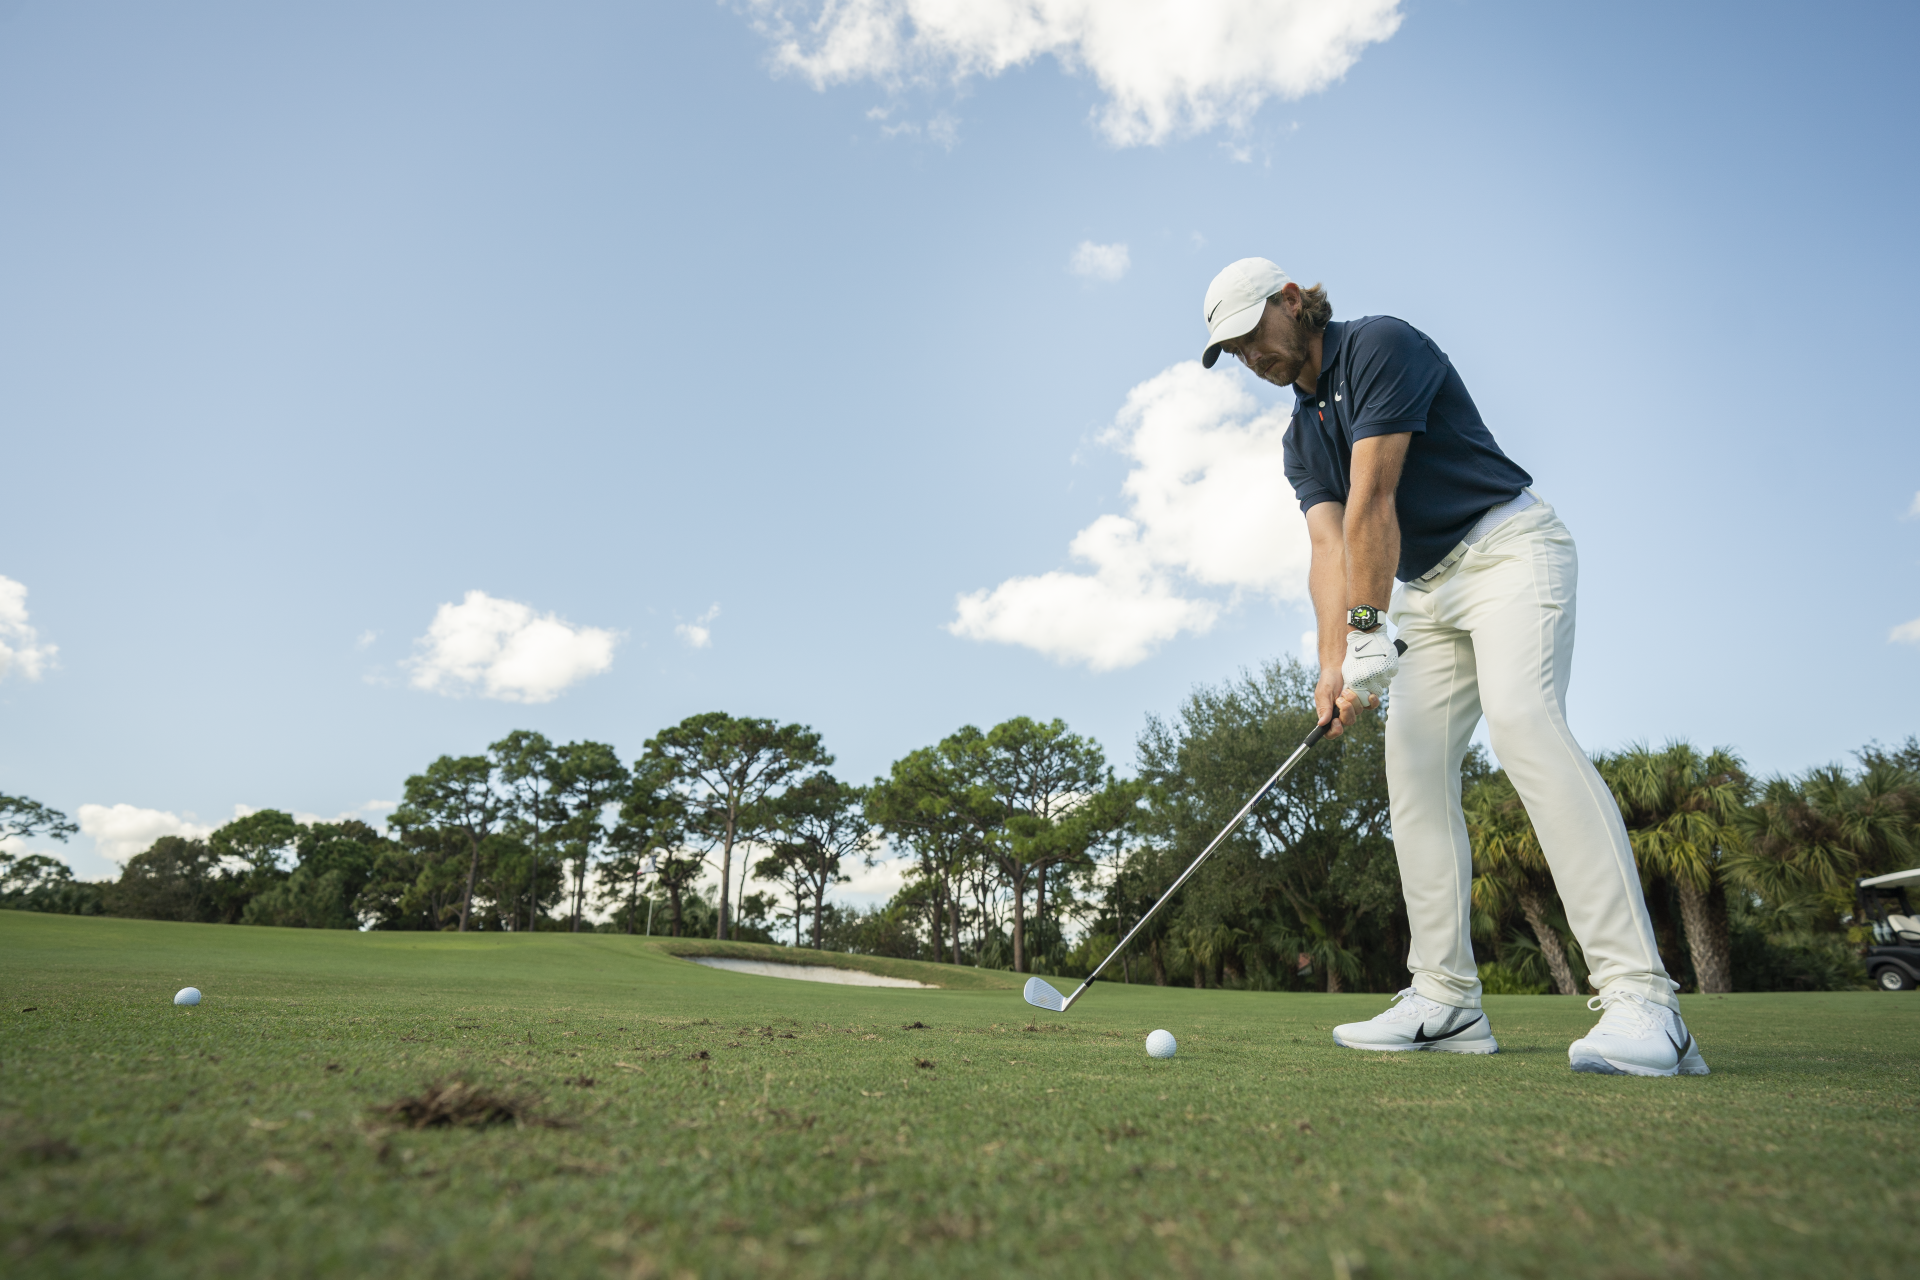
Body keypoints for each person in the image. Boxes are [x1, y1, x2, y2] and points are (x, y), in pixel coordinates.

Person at [1198, 257, 1708, 1077]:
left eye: (1254, 333)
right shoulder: (1301, 438)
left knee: (1524, 725)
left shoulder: (1380, 346)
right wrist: (1333, 666)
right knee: (1413, 773)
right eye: (1234, 351)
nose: (1251, 357)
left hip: (1508, 551)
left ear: (1292, 302)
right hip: (1428, 593)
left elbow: (1375, 500)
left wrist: (1369, 629)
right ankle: (1446, 1002)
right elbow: (1329, 550)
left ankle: (1644, 1000)